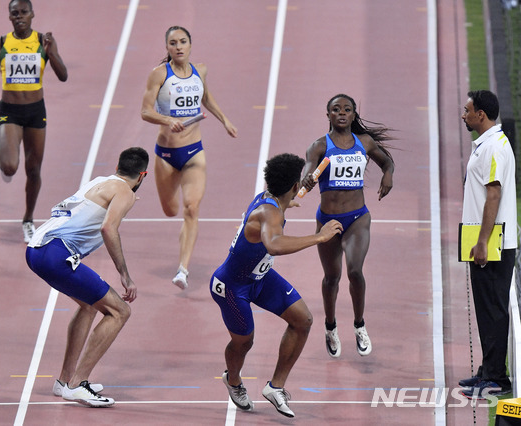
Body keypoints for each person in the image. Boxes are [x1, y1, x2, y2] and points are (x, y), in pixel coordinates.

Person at [210, 153, 342, 418]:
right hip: (232, 287)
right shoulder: (267, 213)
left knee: (302, 320)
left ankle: (275, 387)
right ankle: (233, 380)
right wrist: (320, 236)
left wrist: (291, 198)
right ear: (293, 185)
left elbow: (279, 202)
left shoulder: (272, 199)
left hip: (259, 278)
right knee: (244, 342)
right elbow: (274, 244)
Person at [26, 147, 149, 408]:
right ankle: (78, 384)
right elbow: (108, 228)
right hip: (55, 253)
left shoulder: (100, 181)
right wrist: (125, 275)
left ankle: (64, 381)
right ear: (142, 175)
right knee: (119, 311)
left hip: (36, 249)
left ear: (118, 167)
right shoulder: (125, 191)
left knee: (88, 305)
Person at [141, 25, 237, 290]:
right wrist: (167, 119)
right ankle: (182, 242)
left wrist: (224, 120)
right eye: (173, 43)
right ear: (167, 48)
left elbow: (206, 97)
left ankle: (182, 269)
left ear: (190, 44)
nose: (179, 46)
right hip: (167, 155)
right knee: (171, 210)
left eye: (183, 41)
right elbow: (145, 111)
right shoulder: (159, 75)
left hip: (195, 151)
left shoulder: (200, 70)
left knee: (192, 208)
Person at [300, 94, 394, 359]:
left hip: (357, 218)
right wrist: (306, 179)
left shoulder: (365, 142)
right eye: (336, 109)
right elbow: (307, 171)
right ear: (327, 114)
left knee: (354, 271)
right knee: (332, 278)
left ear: (354, 115)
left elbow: (387, 161)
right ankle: (330, 327)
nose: (342, 113)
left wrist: (388, 175)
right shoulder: (319, 147)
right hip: (328, 221)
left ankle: (359, 325)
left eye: (347, 109)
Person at [0, 0, 68, 243]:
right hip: (10, 111)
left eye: (23, 12)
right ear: (9, 17)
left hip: (36, 110)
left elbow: (63, 75)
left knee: (34, 169)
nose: (19, 17)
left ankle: (28, 218)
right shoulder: (1, 44)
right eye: (14, 13)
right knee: (9, 167)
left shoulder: (42, 41)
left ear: (32, 14)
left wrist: (51, 53)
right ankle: (6, 159)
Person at [457, 90, 517, 399]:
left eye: (467, 110)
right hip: (486, 242)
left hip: (493, 245)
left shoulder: (494, 147)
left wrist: (482, 242)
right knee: (485, 310)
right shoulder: (486, 145)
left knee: (493, 311)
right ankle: (487, 370)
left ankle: (497, 378)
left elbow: (493, 194)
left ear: (482, 114)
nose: (464, 115)